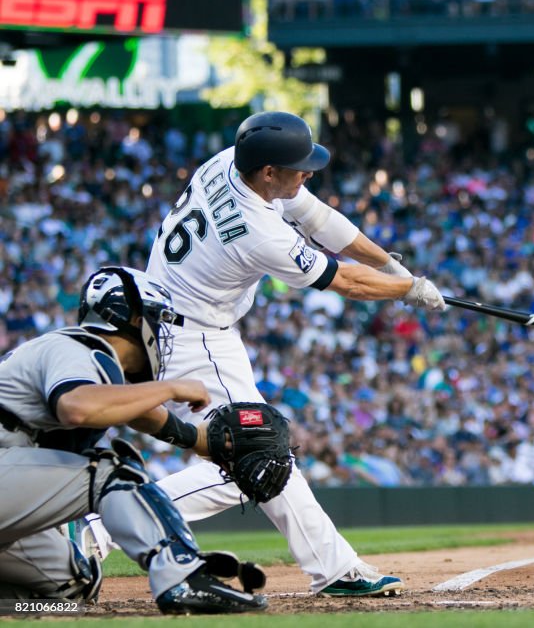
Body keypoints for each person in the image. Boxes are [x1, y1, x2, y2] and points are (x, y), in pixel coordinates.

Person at [88, 111, 446, 597]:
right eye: (298, 166)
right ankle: (102, 526)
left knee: (258, 458)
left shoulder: (231, 164)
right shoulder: (258, 231)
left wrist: (386, 262)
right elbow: (343, 280)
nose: (308, 172)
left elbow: (319, 217)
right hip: (191, 338)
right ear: (269, 172)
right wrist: (406, 289)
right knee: (256, 459)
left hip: (188, 323)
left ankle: (334, 568)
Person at [0, 267, 266, 614]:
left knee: (72, 587)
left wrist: (200, 440)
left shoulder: (84, 361)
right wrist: (171, 387)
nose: (161, 331)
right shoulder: (77, 345)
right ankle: (182, 577)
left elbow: (131, 409)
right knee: (115, 471)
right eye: (156, 319)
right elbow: (77, 407)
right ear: (132, 316)